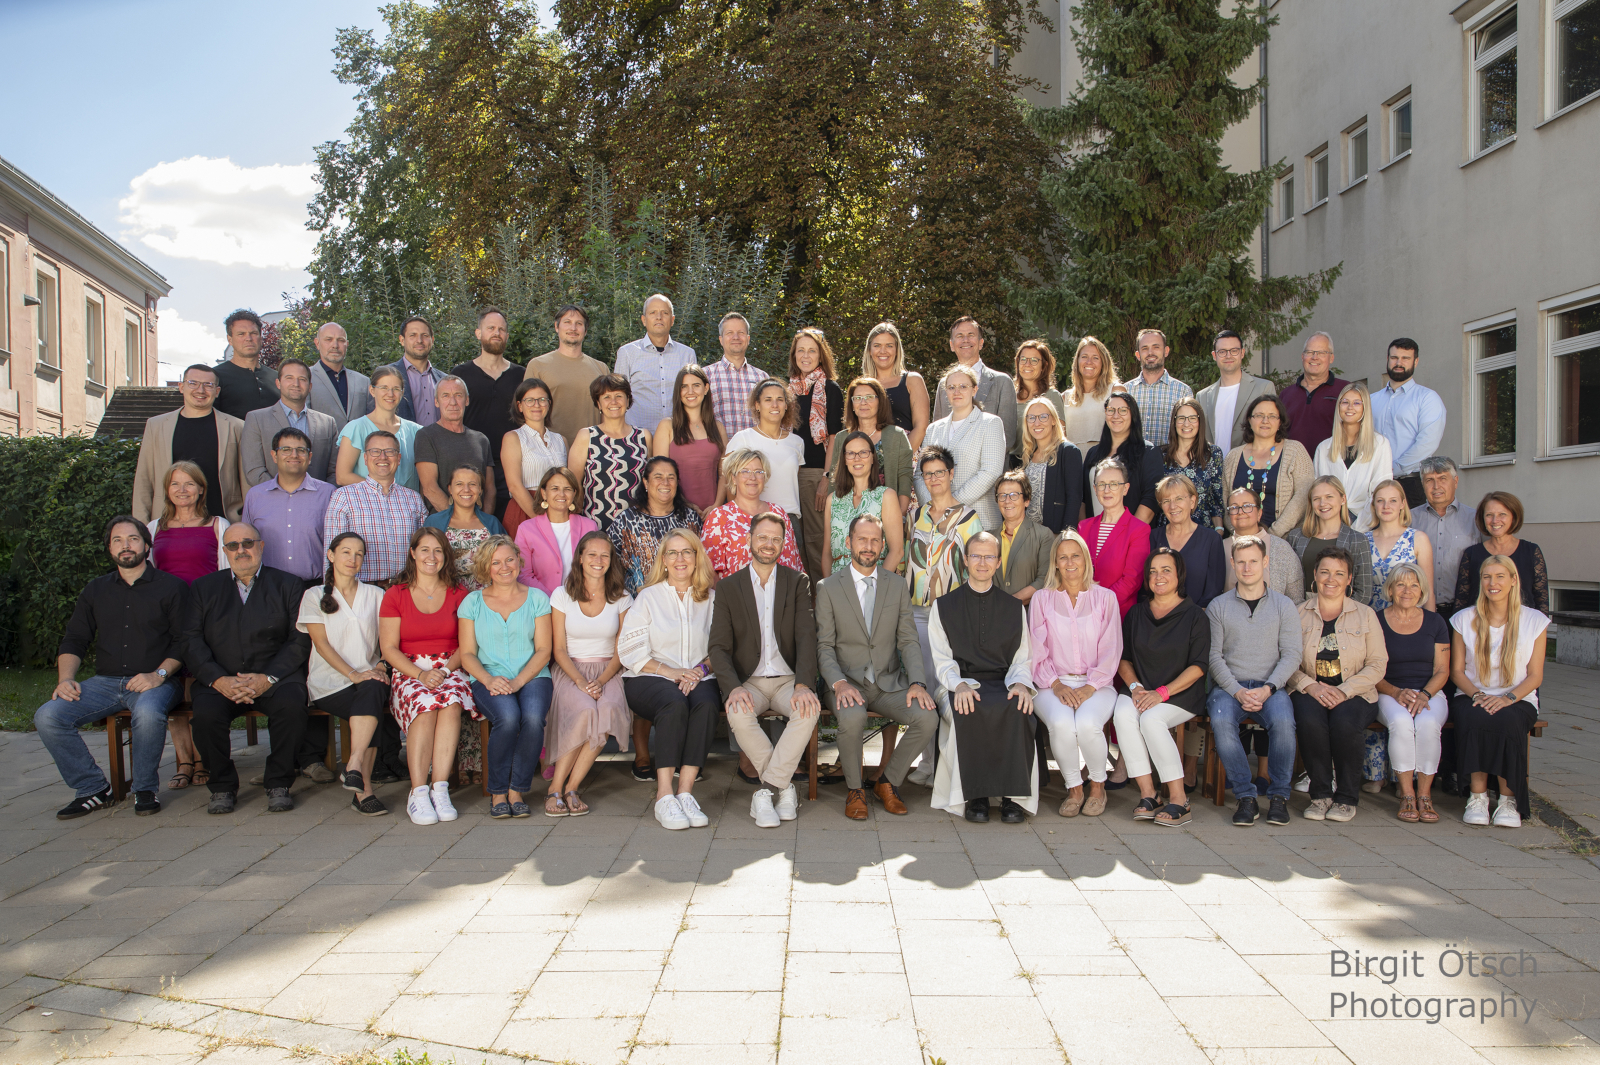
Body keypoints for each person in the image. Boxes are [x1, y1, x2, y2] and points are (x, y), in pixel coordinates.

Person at [34, 517, 187, 819]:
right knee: (48, 716)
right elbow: (75, 639)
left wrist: (158, 675)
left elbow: (184, 642)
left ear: (147, 545)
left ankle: (144, 789)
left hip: (157, 681)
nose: (125, 545)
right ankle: (92, 788)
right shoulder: (95, 590)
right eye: (117, 540)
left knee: (146, 711)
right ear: (109, 548)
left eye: (132, 538)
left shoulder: (172, 588)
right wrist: (66, 680)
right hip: (104, 683)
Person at [816, 514, 938, 820]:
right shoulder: (828, 587)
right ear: (848, 543)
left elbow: (908, 641)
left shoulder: (896, 585)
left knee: (927, 717)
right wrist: (838, 683)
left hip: (888, 683)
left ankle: (887, 782)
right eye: (862, 539)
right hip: (846, 683)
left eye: (874, 540)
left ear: (882, 545)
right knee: (853, 716)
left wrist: (918, 683)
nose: (868, 546)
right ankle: (855, 790)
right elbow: (825, 646)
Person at [184, 522, 311, 815]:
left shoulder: (289, 584)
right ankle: (222, 786)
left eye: (248, 543)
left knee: (292, 707)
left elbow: (299, 639)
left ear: (261, 545)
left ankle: (279, 782)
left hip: (274, 677)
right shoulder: (204, 588)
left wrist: (268, 677)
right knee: (205, 717)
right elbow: (190, 640)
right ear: (225, 551)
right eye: (233, 545)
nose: (241, 550)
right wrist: (217, 679)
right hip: (221, 678)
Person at [709, 513, 821, 827]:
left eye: (775, 539)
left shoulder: (796, 582)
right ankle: (784, 788)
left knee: (808, 710)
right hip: (749, 681)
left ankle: (767, 790)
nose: (768, 544)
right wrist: (733, 687)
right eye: (762, 537)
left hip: (788, 679)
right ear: (749, 540)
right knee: (738, 713)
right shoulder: (730, 588)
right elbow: (718, 647)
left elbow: (806, 636)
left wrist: (803, 684)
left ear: (783, 544)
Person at [929, 533, 1039, 823]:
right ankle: (974, 795)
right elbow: (941, 661)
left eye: (989, 556)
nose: (982, 562)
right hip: (959, 683)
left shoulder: (1015, 608)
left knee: (1018, 707)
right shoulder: (943, 606)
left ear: (998, 562)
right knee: (969, 706)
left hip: (1002, 682)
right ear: (965, 561)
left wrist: (1020, 685)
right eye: (976, 555)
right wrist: (959, 685)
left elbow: (1022, 658)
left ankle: (1012, 797)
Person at [619, 530, 720, 830]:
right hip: (649, 675)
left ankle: (686, 792)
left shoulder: (711, 599)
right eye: (673, 553)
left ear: (696, 557)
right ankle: (664, 795)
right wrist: (671, 672)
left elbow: (722, 647)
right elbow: (629, 649)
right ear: (663, 561)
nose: (680, 559)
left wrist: (699, 672)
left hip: (699, 675)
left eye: (687, 552)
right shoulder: (649, 597)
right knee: (674, 702)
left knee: (706, 703)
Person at [380, 527, 476, 826]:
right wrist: (421, 674)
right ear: (413, 553)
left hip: (450, 666)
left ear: (445, 556)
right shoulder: (395, 595)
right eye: (424, 550)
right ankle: (418, 792)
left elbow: (466, 644)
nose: (431, 557)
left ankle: (440, 788)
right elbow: (389, 648)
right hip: (409, 669)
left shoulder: (460, 594)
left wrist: (445, 670)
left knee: (450, 704)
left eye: (437, 551)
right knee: (424, 706)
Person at [1205, 535, 1302, 827]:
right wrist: (1236, 691)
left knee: (1285, 723)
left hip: (1270, 687)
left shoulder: (1284, 606)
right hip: (1228, 688)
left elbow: (1292, 654)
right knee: (1221, 721)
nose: (1247, 568)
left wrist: (1269, 688)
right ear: (1233, 564)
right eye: (1241, 562)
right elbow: (1213, 657)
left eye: (1254, 562)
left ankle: (1279, 797)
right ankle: (1246, 796)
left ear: (1265, 563)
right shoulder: (1218, 606)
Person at [1287, 547, 1387, 823]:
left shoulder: (1366, 615)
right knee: (1309, 720)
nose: (1331, 579)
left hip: (1355, 693)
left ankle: (1345, 798)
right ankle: (1320, 796)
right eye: (1325, 572)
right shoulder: (1297, 614)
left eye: (1339, 573)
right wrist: (1311, 686)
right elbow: (1286, 661)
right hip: (1309, 690)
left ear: (1349, 579)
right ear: (1315, 576)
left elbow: (1378, 663)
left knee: (1344, 722)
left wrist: (1344, 691)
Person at [1112, 548, 1209, 827]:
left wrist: (1162, 693)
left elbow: (1199, 666)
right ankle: (1149, 795)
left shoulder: (1195, 615)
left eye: (1166, 570)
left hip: (1179, 694)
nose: (1159, 576)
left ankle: (1179, 799)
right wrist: (1135, 687)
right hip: (1141, 688)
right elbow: (1124, 657)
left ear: (1179, 574)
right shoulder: (1137, 613)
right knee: (1123, 714)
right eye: (1153, 571)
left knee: (1152, 720)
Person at [1450, 554, 1548, 828]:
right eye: (1487, 577)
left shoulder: (1534, 621)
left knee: (1507, 721)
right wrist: (1479, 696)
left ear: (1514, 580)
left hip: (1518, 697)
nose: (1493, 583)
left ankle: (1508, 800)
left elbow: (1535, 675)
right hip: (1472, 694)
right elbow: (1457, 671)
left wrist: (1507, 699)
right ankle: (1478, 796)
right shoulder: (1463, 619)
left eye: (1500, 576)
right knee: (1475, 718)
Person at [1028, 529, 1121, 817]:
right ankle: (1074, 788)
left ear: (1086, 559)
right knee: (1062, 724)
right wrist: (1055, 685)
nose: (1070, 563)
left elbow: (1111, 649)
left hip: (1098, 683)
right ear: (1055, 562)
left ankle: (1097, 785)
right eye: (1063, 557)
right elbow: (1036, 648)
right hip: (1051, 683)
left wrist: (1090, 687)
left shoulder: (1106, 598)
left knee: (1089, 723)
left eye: (1075, 556)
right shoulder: (1042, 599)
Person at [459, 536, 554, 820]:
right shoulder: (472, 602)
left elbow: (544, 650)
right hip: (487, 677)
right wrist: (488, 680)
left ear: (519, 561)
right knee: (509, 717)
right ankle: (498, 791)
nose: (504, 567)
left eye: (509, 559)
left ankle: (517, 790)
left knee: (534, 717)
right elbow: (467, 654)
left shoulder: (537, 598)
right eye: (495, 562)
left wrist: (518, 682)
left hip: (533, 675)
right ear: (485, 567)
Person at [297, 532, 390, 816]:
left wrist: (381, 666)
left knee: (373, 691)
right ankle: (362, 785)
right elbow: (321, 645)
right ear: (331, 555)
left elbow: (389, 642)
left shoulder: (375, 595)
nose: (353, 559)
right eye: (346, 552)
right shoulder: (313, 595)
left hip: (369, 678)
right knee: (371, 704)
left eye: (359, 553)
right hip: (330, 683)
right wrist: (353, 674)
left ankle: (355, 771)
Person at [548, 532, 634, 816]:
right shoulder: (562, 595)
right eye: (592, 555)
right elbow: (559, 648)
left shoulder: (621, 597)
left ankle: (571, 788)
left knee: (607, 710)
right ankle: (554, 789)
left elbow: (622, 648)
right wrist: (582, 682)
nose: (598, 560)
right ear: (580, 558)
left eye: (605, 555)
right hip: (571, 669)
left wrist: (602, 679)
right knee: (586, 711)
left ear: (612, 561)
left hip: (610, 669)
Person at [905, 445, 985, 705]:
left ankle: (949, 745)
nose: (934, 478)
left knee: (947, 684)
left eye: (939, 472)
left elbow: (977, 570)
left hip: (951, 614)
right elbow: (906, 560)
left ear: (951, 474)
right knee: (921, 682)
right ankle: (926, 746)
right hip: (916, 612)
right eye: (928, 474)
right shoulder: (916, 516)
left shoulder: (969, 519)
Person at [1374, 561, 1451, 824]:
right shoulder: (1377, 620)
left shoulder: (1435, 621)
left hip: (1429, 692)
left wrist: (1425, 695)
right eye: (1401, 584)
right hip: (1388, 691)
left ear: (1422, 591)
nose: (1407, 590)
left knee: (1429, 724)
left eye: (1414, 585)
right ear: (1391, 589)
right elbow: (1370, 669)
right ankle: (1407, 795)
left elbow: (1442, 670)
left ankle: (1424, 795)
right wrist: (1396, 692)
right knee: (1402, 722)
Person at [132, 363, 244, 524]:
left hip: (222, 523)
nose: (200, 390)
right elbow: (144, 480)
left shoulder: (237, 427)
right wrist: (141, 529)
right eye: (193, 383)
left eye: (208, 385)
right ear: (181, 387)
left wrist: (247, 525)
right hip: (168, 523)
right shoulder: (156, 426)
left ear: (217, 391)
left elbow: (246, 483)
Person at [323, 430, 428, 583]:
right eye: (375, 452)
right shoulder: (344, 497)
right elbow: (331, 553)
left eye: (389, 452)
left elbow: (424, 549)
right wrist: (329, 592)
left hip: (406, 590)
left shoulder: (414, 499)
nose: (383, 457)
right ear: (365, 458)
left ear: (398, 459)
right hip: (362, 591)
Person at [917, 364, 1007, 531]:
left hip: (979, 519)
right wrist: (934, 507)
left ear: (974, 390)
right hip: (937, 523)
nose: (956, 392)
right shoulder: (933, 429)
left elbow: (991, 472)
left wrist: (951, 505)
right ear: (946, 392)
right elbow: (919, 475)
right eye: (951, 387)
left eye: (963, 386)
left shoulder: (990, 423)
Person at [242, 428, 335, 585]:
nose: (294, 455)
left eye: (301, 450)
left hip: (314, 587)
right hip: (268, 588)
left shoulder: (329, 494)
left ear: (309, 457)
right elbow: (246, 543)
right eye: (286, 449)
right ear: (274, 456)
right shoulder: (255, 496)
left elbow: (338, 545)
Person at [789, 328, 845, 585]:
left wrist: (826, 477)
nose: (806, 355)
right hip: (787, 475)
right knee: (794, 539)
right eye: (801, 350)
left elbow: (834, 436)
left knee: (815, 539)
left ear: (821, 355)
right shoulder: (787, 389)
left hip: (814, 474)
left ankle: (823, 598)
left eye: (812, 350)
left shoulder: (830, 388)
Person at [569, 374, 653, 533]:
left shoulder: (644, 436)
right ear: (598, 403)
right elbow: (574, 484)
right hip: (595, 525)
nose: (613, 402)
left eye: (619, 396)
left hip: (637, 526)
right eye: (606, 397)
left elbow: (652, 483)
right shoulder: (586, 436)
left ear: (628, 400)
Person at [702, 449, 805, 579]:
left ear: (765, 477)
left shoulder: (779, 513)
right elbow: (708, 572)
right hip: (738, 597)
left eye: (759, 472)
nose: (753, 477)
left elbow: (795, 562)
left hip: (783, 596)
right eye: (745, 471)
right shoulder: (718, 517)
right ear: (733, 478)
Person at [450, 309, 527, 483]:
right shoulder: (460, 374)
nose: (496, 333)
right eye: (490, 328)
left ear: (507, 336)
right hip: (470, 461)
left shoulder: (521, 375)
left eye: (501, 329)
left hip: (513, 463)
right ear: (478, 333)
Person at [609, 456, 704, 595]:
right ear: (646, 483)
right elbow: (610, 565)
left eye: (671, 477)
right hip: (640, 604)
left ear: (677, 483)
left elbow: (702, 562)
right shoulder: (625, 521)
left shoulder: (691, 519)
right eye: (658, 477)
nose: (665, 483)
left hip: (686, 602)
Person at [1223, 394, 1315, 538]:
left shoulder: (1295, 451)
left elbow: (1303, 496)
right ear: (1249, 420)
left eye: (1272, 416)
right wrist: (1242, 535)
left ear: (1280, 422)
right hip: (1241, 543)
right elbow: (1226, 502)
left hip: (1284, 539)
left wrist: (1273, 534)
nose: (1265, 421)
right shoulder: (1233, 456)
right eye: (1259, 415)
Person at [1370, 338, 1448, 507]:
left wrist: (1392, 469)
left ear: (1416, 361)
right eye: (1394, 357)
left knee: (1411, 533)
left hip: (1410, 484)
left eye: (1405, 358)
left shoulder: (1427, 398)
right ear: (1387, 359)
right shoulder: (1371, 400)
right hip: (1373, 484)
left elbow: (1427, 443)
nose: (1399, 363)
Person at [725, 378, 807, 528]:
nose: (774, 405)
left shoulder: (797, 442)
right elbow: (730, 483)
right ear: (757, 405)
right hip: (753, 518)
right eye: (768, 400)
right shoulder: (742, 438)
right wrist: (737, 517)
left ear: (786, 405)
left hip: (790, 520)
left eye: (780, 400)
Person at [931, 316, 1019, 456]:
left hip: (992, 470)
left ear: (981, 343)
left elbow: (1008, 437)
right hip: (950, 471)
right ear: (952, 345)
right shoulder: (944, 385)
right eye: (960, 336)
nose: (965, 340)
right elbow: (938, 433)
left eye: (971, 335)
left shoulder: (1002, 382)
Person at [241, 359, 337, 485]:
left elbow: (334, 470)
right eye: (289, 378)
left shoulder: (327, 423)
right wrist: (282, 496)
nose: (296, 384)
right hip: (273, 501)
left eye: (302, 379)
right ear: (278, 383)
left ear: (310, 386)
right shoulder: (256, 419)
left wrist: (321, 495)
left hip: (319, 501)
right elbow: (254, 470)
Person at [826, 376, 915, 510]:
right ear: (851, 404)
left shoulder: (897, 435)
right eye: (857, 398)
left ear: (880, 401)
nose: (863, 402)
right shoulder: (841, 438)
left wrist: (899, 516)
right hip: (848, 513)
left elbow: (904, 478)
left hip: (887, 512)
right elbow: (835, 480)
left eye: (869, 397)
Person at [1313, 382, 1393, 531]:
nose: (1350, 407)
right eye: (1345, 402)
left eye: (1357, 403)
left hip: (1367, 523)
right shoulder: (1324, 448)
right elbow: (1318, 492)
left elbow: (1380, 492)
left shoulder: (1380, 444)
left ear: (1365, 408)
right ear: (1338, 407)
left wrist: (1357, 529)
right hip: (1329, 524)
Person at [1077, 458, 1153, 616]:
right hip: (1083, 612)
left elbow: (1132, 580)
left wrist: (1100, 605)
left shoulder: (1139, 530)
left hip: (1118, 613)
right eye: (1101, 484)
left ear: (1125, 489)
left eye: (1113, 484)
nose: (1106, 490)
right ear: (1095, 489)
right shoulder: (1083, 527)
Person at [1454, 491, 1549, 615]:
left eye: (1502, 514)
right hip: (1480, 628)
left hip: (1521, 628)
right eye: (1489, 515)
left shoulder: (1531, 552)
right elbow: (1461, 604)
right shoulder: (1471, 554)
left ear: (1514, 516)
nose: (1495, 520)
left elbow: (1542, 603)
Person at [1284, 476, 1374, 605]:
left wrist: (1341, 613)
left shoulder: (1358, 540)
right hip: (1301, 610)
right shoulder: (1296, 537)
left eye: (1329, 497)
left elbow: (1364, 592)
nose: (1322, 503)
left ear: (1342, 499)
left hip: (1343, 613)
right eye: (1316, 499)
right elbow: (1287, 582)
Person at [824, 431, 904, 576]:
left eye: (863, 452)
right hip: (839, 582)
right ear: (844, 459)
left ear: (873, 457)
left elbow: (897, 551)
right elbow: (826, 553)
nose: (857, 458)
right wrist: (828, 589)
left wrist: (876, 587)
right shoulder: (832, 500)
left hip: (875, 580)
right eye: (851, 453)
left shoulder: (886, 496)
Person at [416, 375, 497, 517]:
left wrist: (484, 523)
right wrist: (459, 522)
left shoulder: (481, 440)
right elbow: (430, 488)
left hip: (479, 528)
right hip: (443, 525)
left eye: (458, 395)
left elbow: (490, 490)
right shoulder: (426, 436)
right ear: (436, 401)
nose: (452, 402)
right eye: (445, 396)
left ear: (466, 400)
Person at [614, 294, 697, 433]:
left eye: (665, 313)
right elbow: (616, 396)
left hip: (676, 436)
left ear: (672, 320)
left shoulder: (687, 354)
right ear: (644, 320)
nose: (659, 317)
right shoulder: (627, 353)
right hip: (637, 437)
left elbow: (693, 398)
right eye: (653, 313)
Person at [336, 366, 423, 493]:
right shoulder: (356, 428)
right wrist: (383, 490)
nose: (390, 394)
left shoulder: (416, 431)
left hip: (406, 509)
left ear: (402, 392)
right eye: (384, 388)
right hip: (367, 506)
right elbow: (342, 476)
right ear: (372, 390)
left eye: (396, 389)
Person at [1412, 456, 1480, 619]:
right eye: (1429, 480)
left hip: (1465, 612)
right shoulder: (1408, 519)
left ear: (1455, 481)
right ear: (1423, 484)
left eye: (1443, 478)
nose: (1436, 486)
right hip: (1418, 611)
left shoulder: (1475, 519)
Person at [528, 305, 607, 444]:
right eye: (567, 322)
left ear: (585, 330)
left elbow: (608, 416)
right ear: (556, 327)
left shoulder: (601, 369)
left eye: (579, 323)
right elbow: (527, 412)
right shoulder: (537, 365)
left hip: (592, 449)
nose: (573, 328)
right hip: (550, 450)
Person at [652, 365, 725, 515]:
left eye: (696, 385)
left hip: (712, 513)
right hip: (676, 510)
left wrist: (716, 506)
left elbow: (725, 473)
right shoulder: (667, 426)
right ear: (678, 392)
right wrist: (686, 504)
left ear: (706, 389)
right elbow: (660, 474)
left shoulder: (718, 428)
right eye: (684, 386)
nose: (690, 392)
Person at [423, 464, 507, 590]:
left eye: (472, 484)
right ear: (450, 489)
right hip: (446, 595)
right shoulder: (434, 522)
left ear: (480, 490)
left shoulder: (492, 523)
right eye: (459, 484)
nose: (466, 489)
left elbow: (506, 560)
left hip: (486, 598)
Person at [1083, 393, 1163, 523]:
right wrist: (1087, 532)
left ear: (1133, 414)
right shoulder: (1093, 453)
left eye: (1123, 410)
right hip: (1095, 536)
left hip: (1130, 537)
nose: (1116, 415)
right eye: (1111, 410)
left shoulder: (1148, 452)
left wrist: (1127, 536)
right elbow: (1083, 498)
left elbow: (1151, 499)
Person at [515, 467, 596, 595]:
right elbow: (523, 575)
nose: (562, 494)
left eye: (567, 489)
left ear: (574, 493)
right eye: (555, 488)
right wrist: (553, 600)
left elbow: (596, 569)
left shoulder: (590, 527)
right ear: (544, 493)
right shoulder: (526, 530)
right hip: (543, 604)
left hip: (581, 600)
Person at [498, 377, 563, 536]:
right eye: (530, 400)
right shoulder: (513, 438)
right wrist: (541, 521)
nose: (537, 405)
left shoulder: (561, 440)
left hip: (558, 510)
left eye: (542, 399)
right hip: (525, 511)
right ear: (519, 406)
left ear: (549, 404)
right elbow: (514, 485)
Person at [1150, 475, 1226, 607]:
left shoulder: (1212, 539)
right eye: (1166, 501)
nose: (1172, 506)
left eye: (1179, 499)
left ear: (1192, 501)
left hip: (1197, 620)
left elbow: (1213, 591)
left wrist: (1192, 620)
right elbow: (1145, 586)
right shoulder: (1152, 537)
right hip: (1158, 620)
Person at [148, 462, 229, 583]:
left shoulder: (220, 525)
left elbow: (228, 573)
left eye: (189, 484)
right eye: (175, 484)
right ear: (167, 489)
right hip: (166, 600)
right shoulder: (153, 527)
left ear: (201, 488)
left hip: (205, 600)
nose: (182, 490)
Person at [1196, 330, 1275, 450]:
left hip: (1249, 464)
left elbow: (1272, 431)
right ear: (1214, 356)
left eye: (1234, 351)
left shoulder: (1263, 388)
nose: (1228, 356)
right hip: (1213, 466)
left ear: (1242, 353)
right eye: (1222, 351)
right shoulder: (1202, 396)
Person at [1221, 487, 1305, 601]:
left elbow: (1296, 598)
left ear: (1259, 512)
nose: (1240, 512)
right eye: (1234, 508)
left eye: (1247, 506)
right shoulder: (1219, 548)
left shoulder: (1281, 548)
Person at [1018, 398, 1083, 535]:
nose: (1037, 422)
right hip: (1029, 534)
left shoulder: (1068, 452)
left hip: (1054, 533)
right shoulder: (1028, 455)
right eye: (1031, 418)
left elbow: (1074, 498)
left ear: (1054, 420)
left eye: (1043, 417)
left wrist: (1066, 535)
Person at [1367, 479, 1435, 611]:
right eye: (1380, 500)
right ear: (1374, 505)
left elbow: (1428, 591)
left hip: (1408, 616)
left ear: (1402, 504)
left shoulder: (1418, 539)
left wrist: (1430, 627)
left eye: (1393, 500)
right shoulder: (1363, 540)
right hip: (1370, 618)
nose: (1386, 506)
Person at [1159, 399, 1226, 530]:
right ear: (1174, 421)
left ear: (1200, 421)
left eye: (1192, 418)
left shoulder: (1213, 454)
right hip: (1168, 530)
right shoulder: (1160, 455)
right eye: (1181, 418)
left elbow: (1216, 500)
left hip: (1203, 530)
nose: (1186, 423)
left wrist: (1219, 531)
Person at [863, 321, 930, 450]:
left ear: (897, 349)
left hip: (904, 456)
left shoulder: (912, 380)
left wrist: (899, 459)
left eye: (889, 345)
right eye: (877, 345)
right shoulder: (862, 385)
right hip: (867, 458)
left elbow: (921, 427)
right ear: (870, 350)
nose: (883, 351)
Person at [1122, 328, 1193, 447]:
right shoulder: (1126, 391)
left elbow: (1189, 432)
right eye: (1145, 348)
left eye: (1156, 347)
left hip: (1168, 462)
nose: (1150, 352)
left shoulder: (1183, 391)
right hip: (1133, 462)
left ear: (1166, 351)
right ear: (1138, 355)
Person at [1280, 331, 1347, 455]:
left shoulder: (1345, 391)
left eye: (1322, 353)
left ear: (1331, 358)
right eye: (1309, 352)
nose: (1314, 357)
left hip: (1331, 467)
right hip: (1292, 469)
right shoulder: (1286, 395)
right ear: (1302, 356)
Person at [994, 472, 1054, 606]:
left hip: (1030, 616)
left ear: (1026, 500)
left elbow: (1044, 579)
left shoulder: (1043, 535)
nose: (1007, 501)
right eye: (1002, 496)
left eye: (1014, 495)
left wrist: (1008, 604)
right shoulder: (989, 538)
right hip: (993, 616)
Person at [704, 312, 767, 437]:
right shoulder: (706, 376)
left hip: (755, 453)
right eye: (729, 333)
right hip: (720, 453)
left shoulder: (762, 378)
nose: (736, 337)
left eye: (741, 332)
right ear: (721, 340)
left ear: (748, 339)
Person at [211, 310, 280, 420]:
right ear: (230, 339)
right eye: (241, 334)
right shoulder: (214, 377)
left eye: (253, 333)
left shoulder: (277, 378)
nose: (248, 338)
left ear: (260, 338)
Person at [306, 321, 373, 432]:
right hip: (322, 448)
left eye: (340, 340)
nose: (335, 345)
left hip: (359, 448)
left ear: (346, 344)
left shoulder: (363, 381)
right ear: (317, 343)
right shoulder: (305, 378)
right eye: (329, 339)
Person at [381, 315, 447, 427]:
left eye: (425, 336)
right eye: (413, 335)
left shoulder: (443, 379)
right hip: (401, 443)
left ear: (432, 340)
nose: (419, 341)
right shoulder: (386, 376)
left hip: (439, 444)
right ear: (402, 340)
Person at [1062, 336, 1125, 452]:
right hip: (1073, 464)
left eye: (1095, 358)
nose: (1089, 362)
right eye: (1084, 357)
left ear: (1103, 363)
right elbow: (1060, 440)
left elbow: (1125, 433)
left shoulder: (1115, 391)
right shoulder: (1065, 397)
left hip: (1104, 463)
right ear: (1077, 361)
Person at [1012, 340, 1065, 462]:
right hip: (1011, 462)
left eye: (1034, 360)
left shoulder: (1052, 396)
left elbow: (1059, 438)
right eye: (1023, 359)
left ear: (1044, 365)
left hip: (1041, 461)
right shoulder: (1009, 396)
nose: (1027, 364)